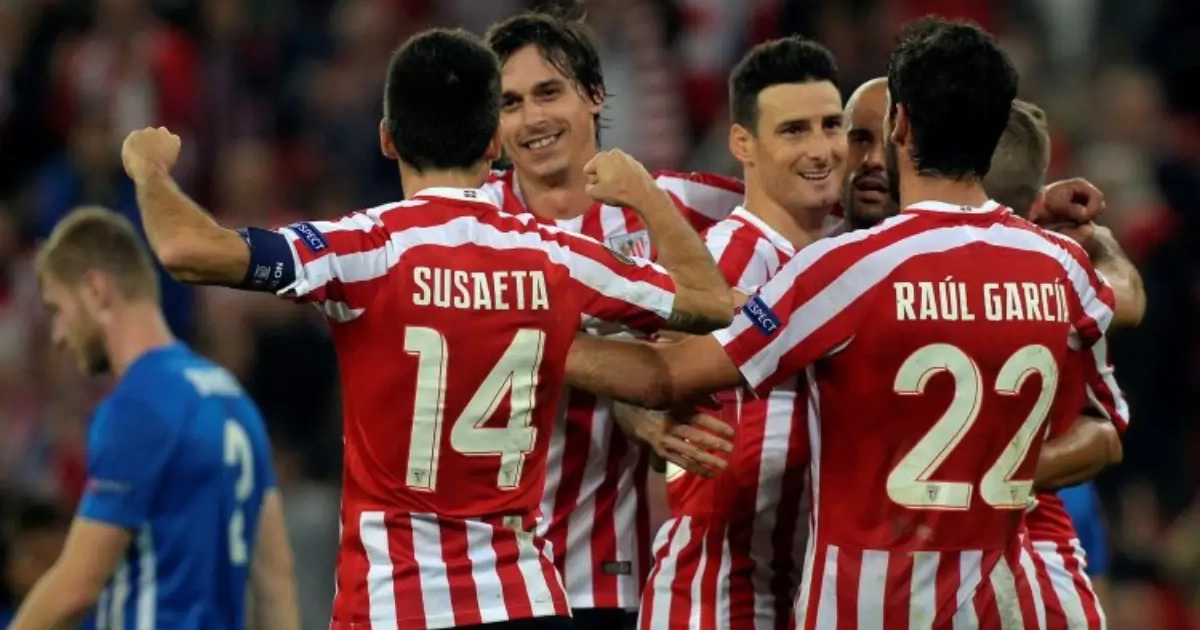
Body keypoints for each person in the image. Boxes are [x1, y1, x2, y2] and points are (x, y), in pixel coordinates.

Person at [118, 28, 734, 630]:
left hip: (396, 603)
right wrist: (646, 195)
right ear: (493, 141)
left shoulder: (365, 249)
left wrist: (150, 171)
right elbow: (709, 301)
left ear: (387, 140)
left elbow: (186, 249)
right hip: (527, 598)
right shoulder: (553, 255)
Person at [565, 17, 1130, 627]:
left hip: (859, 604)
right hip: (987, 602)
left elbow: (666, 375)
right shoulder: (1062, 266)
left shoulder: (852, 268)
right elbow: (1105, 418)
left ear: (899, 124)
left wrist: (533, 335)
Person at [483, 9, 743, 629]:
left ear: (595, 94)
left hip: (607, 577)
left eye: (549, 92)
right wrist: (634, 401)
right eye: (511, 103)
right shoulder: (472, 224)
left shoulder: (676, 204)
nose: (533, 119)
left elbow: (796, 239)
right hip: (483, 575)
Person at [634, 36, 843, 630]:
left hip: (811, 601)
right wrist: (643, 415)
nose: (821, 149)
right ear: (742, 143)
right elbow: (657, 372)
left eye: (831, 126)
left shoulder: (854, 255)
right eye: (794, 130)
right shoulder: (725, 263)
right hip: (716, 601)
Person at [8, 207, 298, 630]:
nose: (58, 334)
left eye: (58, 308)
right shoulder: (233, 399)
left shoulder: (136, 407)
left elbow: (76, 587)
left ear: (96, 291)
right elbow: (275, 581)